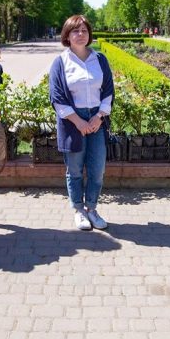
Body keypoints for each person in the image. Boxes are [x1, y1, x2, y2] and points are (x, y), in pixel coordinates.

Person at [48, 14, 114, 231]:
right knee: (75, 169)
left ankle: (92, 209)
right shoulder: (60, 62)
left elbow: (108, 92)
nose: (80, 34)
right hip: (72, 122)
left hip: (97, 120)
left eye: (84, 30)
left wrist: (98, 117)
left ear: (89, 34)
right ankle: (78, 210)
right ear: (67, 35)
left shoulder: (100, 59)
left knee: (97, 169)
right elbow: (57, 97)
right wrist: (78, 122)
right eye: (75, 31)